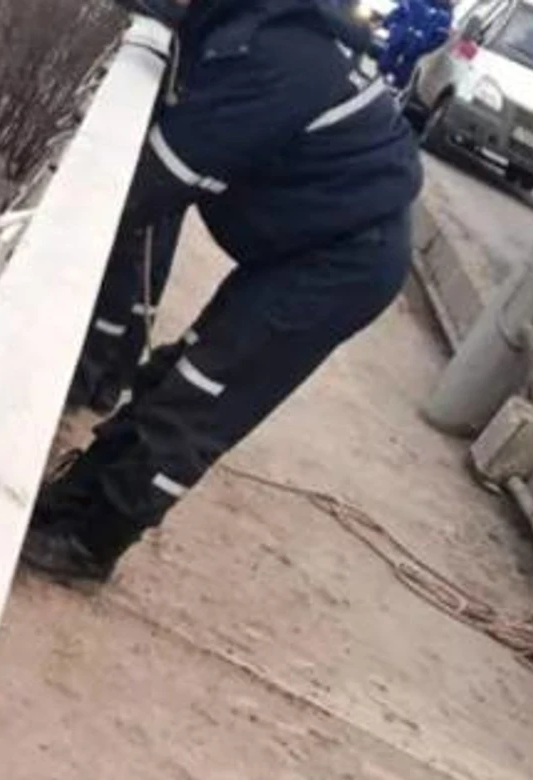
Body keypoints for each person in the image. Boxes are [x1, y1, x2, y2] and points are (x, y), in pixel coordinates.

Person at [25, 0, 422, 587]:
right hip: (312, 239)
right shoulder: (254, 26)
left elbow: (147, 185)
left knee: (202, 393)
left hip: (343, 258)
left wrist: (45, 230)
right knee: (176, 371)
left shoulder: (275, 57)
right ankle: (73, 501)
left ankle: (92, 543)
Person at [377, 0, 453, 89]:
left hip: (415, 51)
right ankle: (378, 84)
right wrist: (392, 27)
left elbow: (440, 38)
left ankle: (393, 90)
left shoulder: (445, 15)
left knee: (402, 77)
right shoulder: (416, 2)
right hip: (398, 40)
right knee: (384, 65)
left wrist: (424, 46)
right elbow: (398, 13)